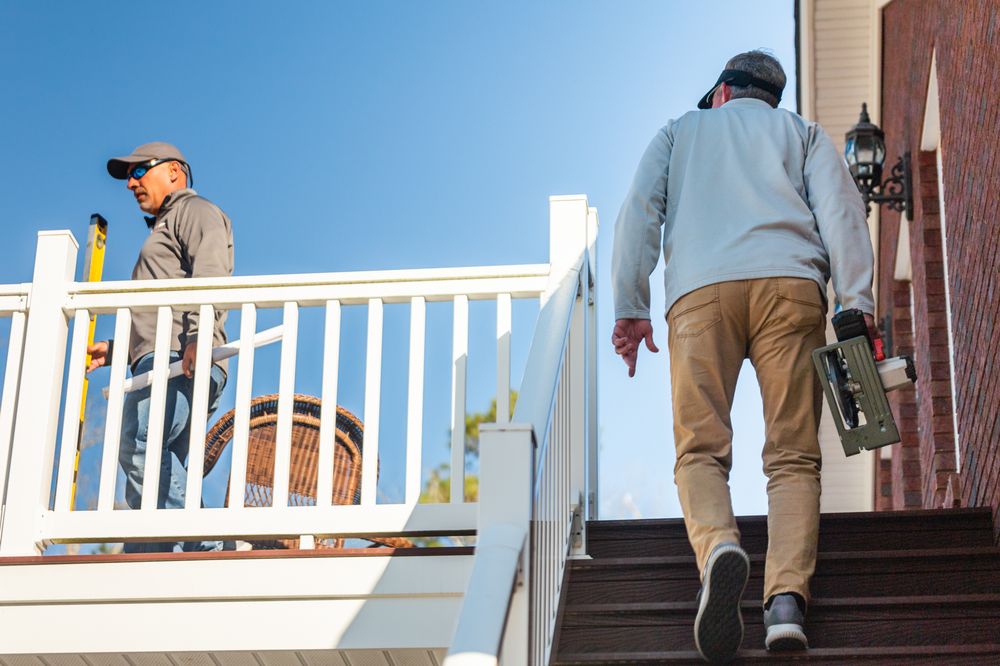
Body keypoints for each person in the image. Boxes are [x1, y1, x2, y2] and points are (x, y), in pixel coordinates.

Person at [611, 51, 880, 663]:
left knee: (700, 449)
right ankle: (784, 603)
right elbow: (842, 212)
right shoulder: (800, 132)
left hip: (701, 293)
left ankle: (718, 554)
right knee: (792, 457)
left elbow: (639, 215)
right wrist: (856, 301)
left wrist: (631, 306)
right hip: (792, 285)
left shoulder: (680, 130)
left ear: (723, 94)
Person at [87, 141, 234, 553]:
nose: (131, 183)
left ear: (174, 171)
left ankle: (207, 544)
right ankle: (154, 560)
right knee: (160, 468)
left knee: (140, 448)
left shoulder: (194, 211)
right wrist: (119, 350)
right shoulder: (164, 227)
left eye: (139, 171)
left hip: (181, 356)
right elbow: (158, 312)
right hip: (168, 354)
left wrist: (199, 338)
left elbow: (211, 274)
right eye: (127, 177)